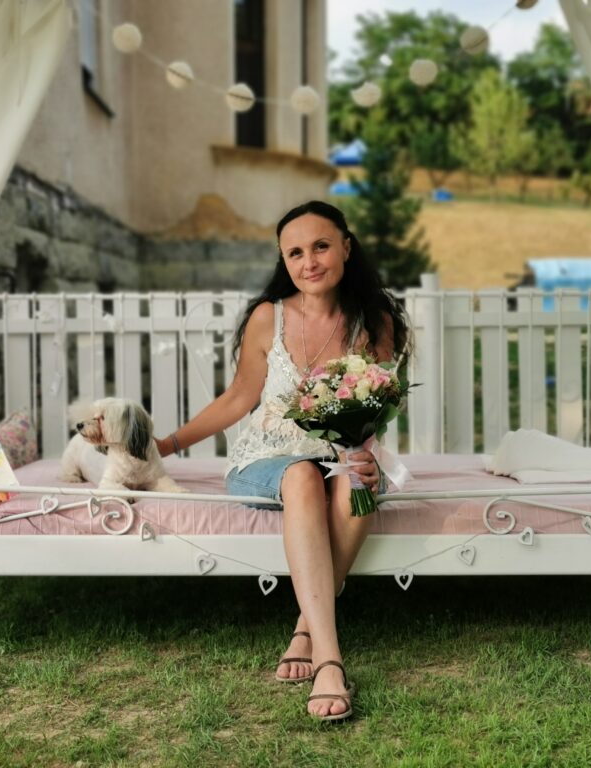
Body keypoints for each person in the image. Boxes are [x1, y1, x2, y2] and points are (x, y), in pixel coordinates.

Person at [155, 200, 412, 722]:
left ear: (346, 247)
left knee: (357, 486)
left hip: (341, 453)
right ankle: (330, 662)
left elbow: (377, 403)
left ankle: (305, 627)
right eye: (295, 253)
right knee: (300, 478)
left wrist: (365, 453)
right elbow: (239, 398)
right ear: (284, 260)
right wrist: (166, 445)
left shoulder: (374, 321)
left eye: (320, 246)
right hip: (268, 457)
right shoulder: (267, 318)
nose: (308, 261)